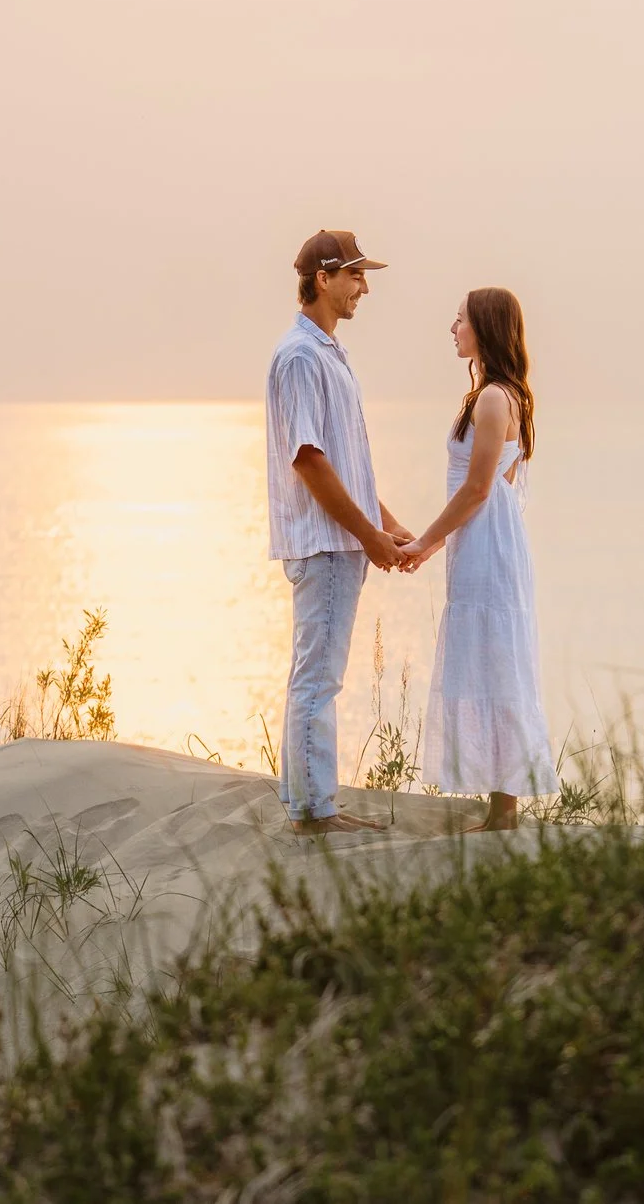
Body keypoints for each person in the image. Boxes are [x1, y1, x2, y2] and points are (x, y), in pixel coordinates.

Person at [264, 229, 415, 835]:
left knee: (320, 675)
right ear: (322, 279)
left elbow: (342, 459)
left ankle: (309, 802)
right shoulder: (301, 356)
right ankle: (313, 813)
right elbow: (309, 459)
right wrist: (369, 537)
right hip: (325, 544)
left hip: (341, 541)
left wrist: (386, 523)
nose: (364, 286)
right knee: (317, 679)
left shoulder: (326, 350)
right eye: (354, 275)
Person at [398, 287, 557, 832]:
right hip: (487, 541)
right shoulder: (497, 395)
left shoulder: (494, 399)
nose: (452, 328)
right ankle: (499, 807)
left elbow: (479, 488)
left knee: (497, 661)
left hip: (488, 542)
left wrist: (426, 541)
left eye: (460, 320)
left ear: (483, 328)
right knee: (490, 659)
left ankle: (504, 813)